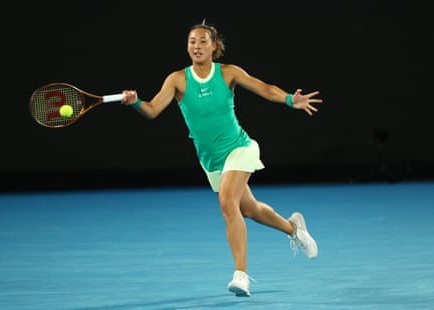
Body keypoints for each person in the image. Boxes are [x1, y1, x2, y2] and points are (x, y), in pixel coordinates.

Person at [120, 20, 322, 297]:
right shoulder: (177, 79)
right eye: (192, 41)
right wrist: (136, 103)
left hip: (240, 148)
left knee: (228, 204)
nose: (197, 46)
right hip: (211, 160)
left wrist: (290, 99)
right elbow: (153, 110)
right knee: (248, 210)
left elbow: (264, 88)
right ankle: (293, 228)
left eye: (203, 41)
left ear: (214, 47)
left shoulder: (228, 73)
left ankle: (241, 276)